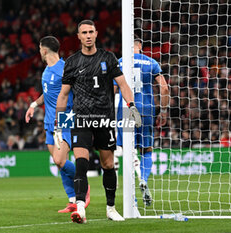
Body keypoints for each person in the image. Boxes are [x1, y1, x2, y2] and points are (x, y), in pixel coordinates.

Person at [55, 20, 141, 223]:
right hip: (82, 120)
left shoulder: (108, 57)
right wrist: (59, 124)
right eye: (83, 32)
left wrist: (131, 105)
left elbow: (123, 84)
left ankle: (110, 208)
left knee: (108, 164)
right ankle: (79, 207)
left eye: (90, 32)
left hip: (104, 119)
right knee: (81, 163)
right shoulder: (72, 62)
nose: (87, 35)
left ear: (96, 33)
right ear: (78, 36)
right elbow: (63, 95)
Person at [25, 36, 90, 213]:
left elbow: (79, 93)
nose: (39, 51)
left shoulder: (64, 69)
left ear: (44, 50)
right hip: (49, 121)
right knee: (60, 164)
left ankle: (83, 181)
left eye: (40, 48)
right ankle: (72, 200)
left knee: (59, 159)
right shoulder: (46, 70)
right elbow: (46, 95)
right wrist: (33, 105)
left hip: (65, 118)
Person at [115, 35, 169, 206]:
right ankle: (143, 179)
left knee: (127, 150)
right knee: (146, 149)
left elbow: (113, 88)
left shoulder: (120, 62)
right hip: (146, 108)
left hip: (125, 108)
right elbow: (164, 87)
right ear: (140, 46)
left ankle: (133, 198)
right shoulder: (151, 62)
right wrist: (164, 110)